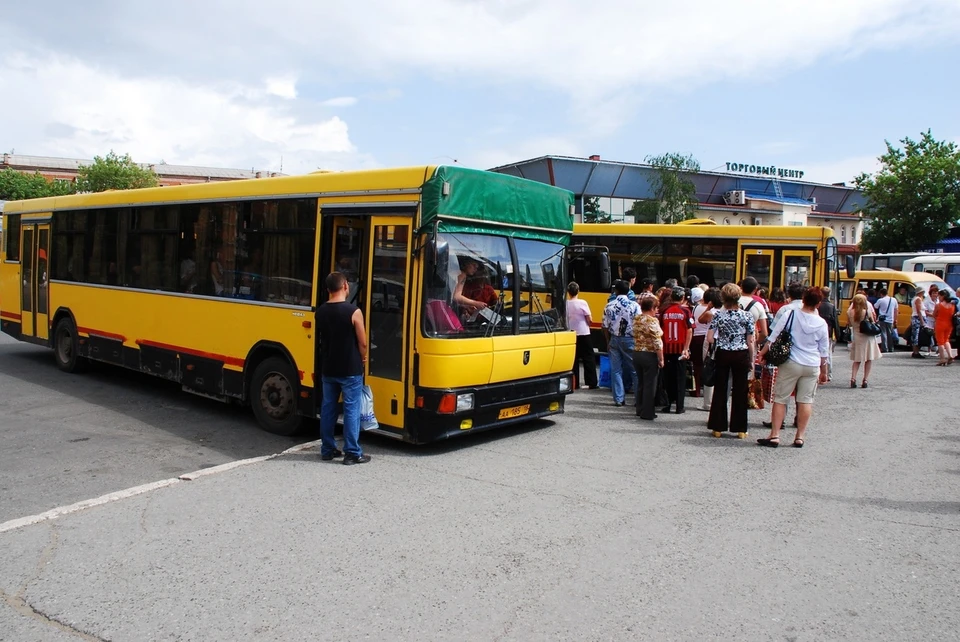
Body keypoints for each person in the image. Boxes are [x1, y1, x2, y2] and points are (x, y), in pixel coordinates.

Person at [757, 287, 829, 448]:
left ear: (803, 299)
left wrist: (762, 353)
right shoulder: (821, 323)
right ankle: (799, 437)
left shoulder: (791, 314)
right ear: (818, 304)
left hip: (791, 362)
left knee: (781, 399)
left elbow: (773, 336)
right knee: (806, 401)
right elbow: (824, 351)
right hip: (811, 364)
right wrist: (824, 371)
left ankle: (775, 435)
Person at [317, 272, 370, 465]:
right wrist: (362, 358)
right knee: (351, 410)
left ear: (328, 289)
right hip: (350, 368)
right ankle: (352, 453)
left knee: (328, 408)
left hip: (329, 367)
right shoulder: (353, 311)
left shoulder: (321, 311)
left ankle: (327, 449)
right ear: (346, 286)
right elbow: (362, 342)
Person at [706, 283, 756, 438]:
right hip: (740, 353)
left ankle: (718, 427)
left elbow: (709, 338)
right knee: (740, 390)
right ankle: (740, 428)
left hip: (723, 353)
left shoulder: (718, 316)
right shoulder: (747, 316)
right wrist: (752, 359)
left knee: (721, 389)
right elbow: (750, 340)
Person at [602, 280, 641, 407]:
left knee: (616, 370)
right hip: (630, 339)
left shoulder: (609, 305)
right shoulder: (634, 305)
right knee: (634, 370)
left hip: (614, 338)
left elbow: (605, 325)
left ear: (616, 291)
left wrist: (608, 341)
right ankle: (638, 399)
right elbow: (640, 323)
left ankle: (619, 399)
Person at [660, 287, 693, 414]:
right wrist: (686, 348)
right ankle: (680, 406)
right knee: (680, 378)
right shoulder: (685, 311)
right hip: (680, 349)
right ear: (683, 298)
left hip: (667, 348)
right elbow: (690, 330)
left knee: (668, 378)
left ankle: (668, 404)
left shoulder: (664, 311)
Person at [632, 297, 664, 420]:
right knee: (650, 385)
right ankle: (648, 412)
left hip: (636, 352)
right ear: (652, 308)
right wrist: (661, 358)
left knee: (641, 383)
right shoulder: (652, 321)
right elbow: (657, 342)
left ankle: (639, 409)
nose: (657, 310)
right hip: (649, 354)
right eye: (656, 308)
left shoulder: (636, 319)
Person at [566, 281, 597, 388]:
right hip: (584, 332)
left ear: (568, 292)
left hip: (571, 333)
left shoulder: (566, 304)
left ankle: (575, 383)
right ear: (578, 291)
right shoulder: (582, 303)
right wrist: (589, 323)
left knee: (574, 358)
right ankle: (591, 382)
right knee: (588, 357)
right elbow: (589, 319)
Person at [848, 293, 881, 388]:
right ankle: (865, 380)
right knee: (868, 359)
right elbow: (873, 322)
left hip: (857, 337)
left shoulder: (850, 312)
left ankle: (853, 378)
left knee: (857, 360)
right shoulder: (866, 312)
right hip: (867, 338)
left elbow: (850, 324)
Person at [697, 287, 721, 412]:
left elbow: (700, 320)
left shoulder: (710, 313)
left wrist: (708, 307)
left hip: (710, 341)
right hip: (722, 343)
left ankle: (708, 403)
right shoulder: (724, 312)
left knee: (708, 368)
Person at [739, 277, 768, 346]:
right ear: (755, 289)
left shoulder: (732, 302)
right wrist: (756, 343)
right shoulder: (758, 306)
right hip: (750, 342)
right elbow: (764, 333)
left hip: (731, 344)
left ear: (741, 287)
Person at [817, 286, 838, 381]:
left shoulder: (818, 305)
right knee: (827, 353)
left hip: (817, 331)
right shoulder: (832, 306)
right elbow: (835, 322)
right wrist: (837, 334)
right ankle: (828, 373)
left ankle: (818, 372)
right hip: (828, 332)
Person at [933, 288, 956, 366]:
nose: (938, 297)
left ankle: (942, 359)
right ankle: (950, 355)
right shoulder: (952, 305)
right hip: (949, 324)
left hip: (940, 324)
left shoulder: (939, 305)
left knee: (940, 342)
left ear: (943, 296)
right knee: (946, 340)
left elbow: (934, 314)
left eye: (939, 296)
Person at [874, 287, 898, 353]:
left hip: (882, 319)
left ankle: (885, 348)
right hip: (891, 319)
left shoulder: (880, 300)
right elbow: (896, 310)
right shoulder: (894, 300)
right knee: (890, 333)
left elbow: (875, 306)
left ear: (881, 294)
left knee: (883, 333)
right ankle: (891, 348)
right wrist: (895, 319)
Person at [922, 284, 939, 355]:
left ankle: (937, 350)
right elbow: (924, 311)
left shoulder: (938, 301)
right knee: (929, 335)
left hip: (937, 320)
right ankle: (929, 350)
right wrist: (931, 315)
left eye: (936, 293)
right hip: (929, 320)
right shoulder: (926, 301)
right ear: (930, 294)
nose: (935, 294)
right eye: (933, 293)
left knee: (937, 335)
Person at [910, 286, 927, 359]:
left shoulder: (915, 299)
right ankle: (916, 351)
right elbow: (919, 311)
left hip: (915, 317)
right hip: (918, 318)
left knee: (915, 335)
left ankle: (915, 351)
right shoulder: (918, 299)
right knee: (917, 335)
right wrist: (922, 321)